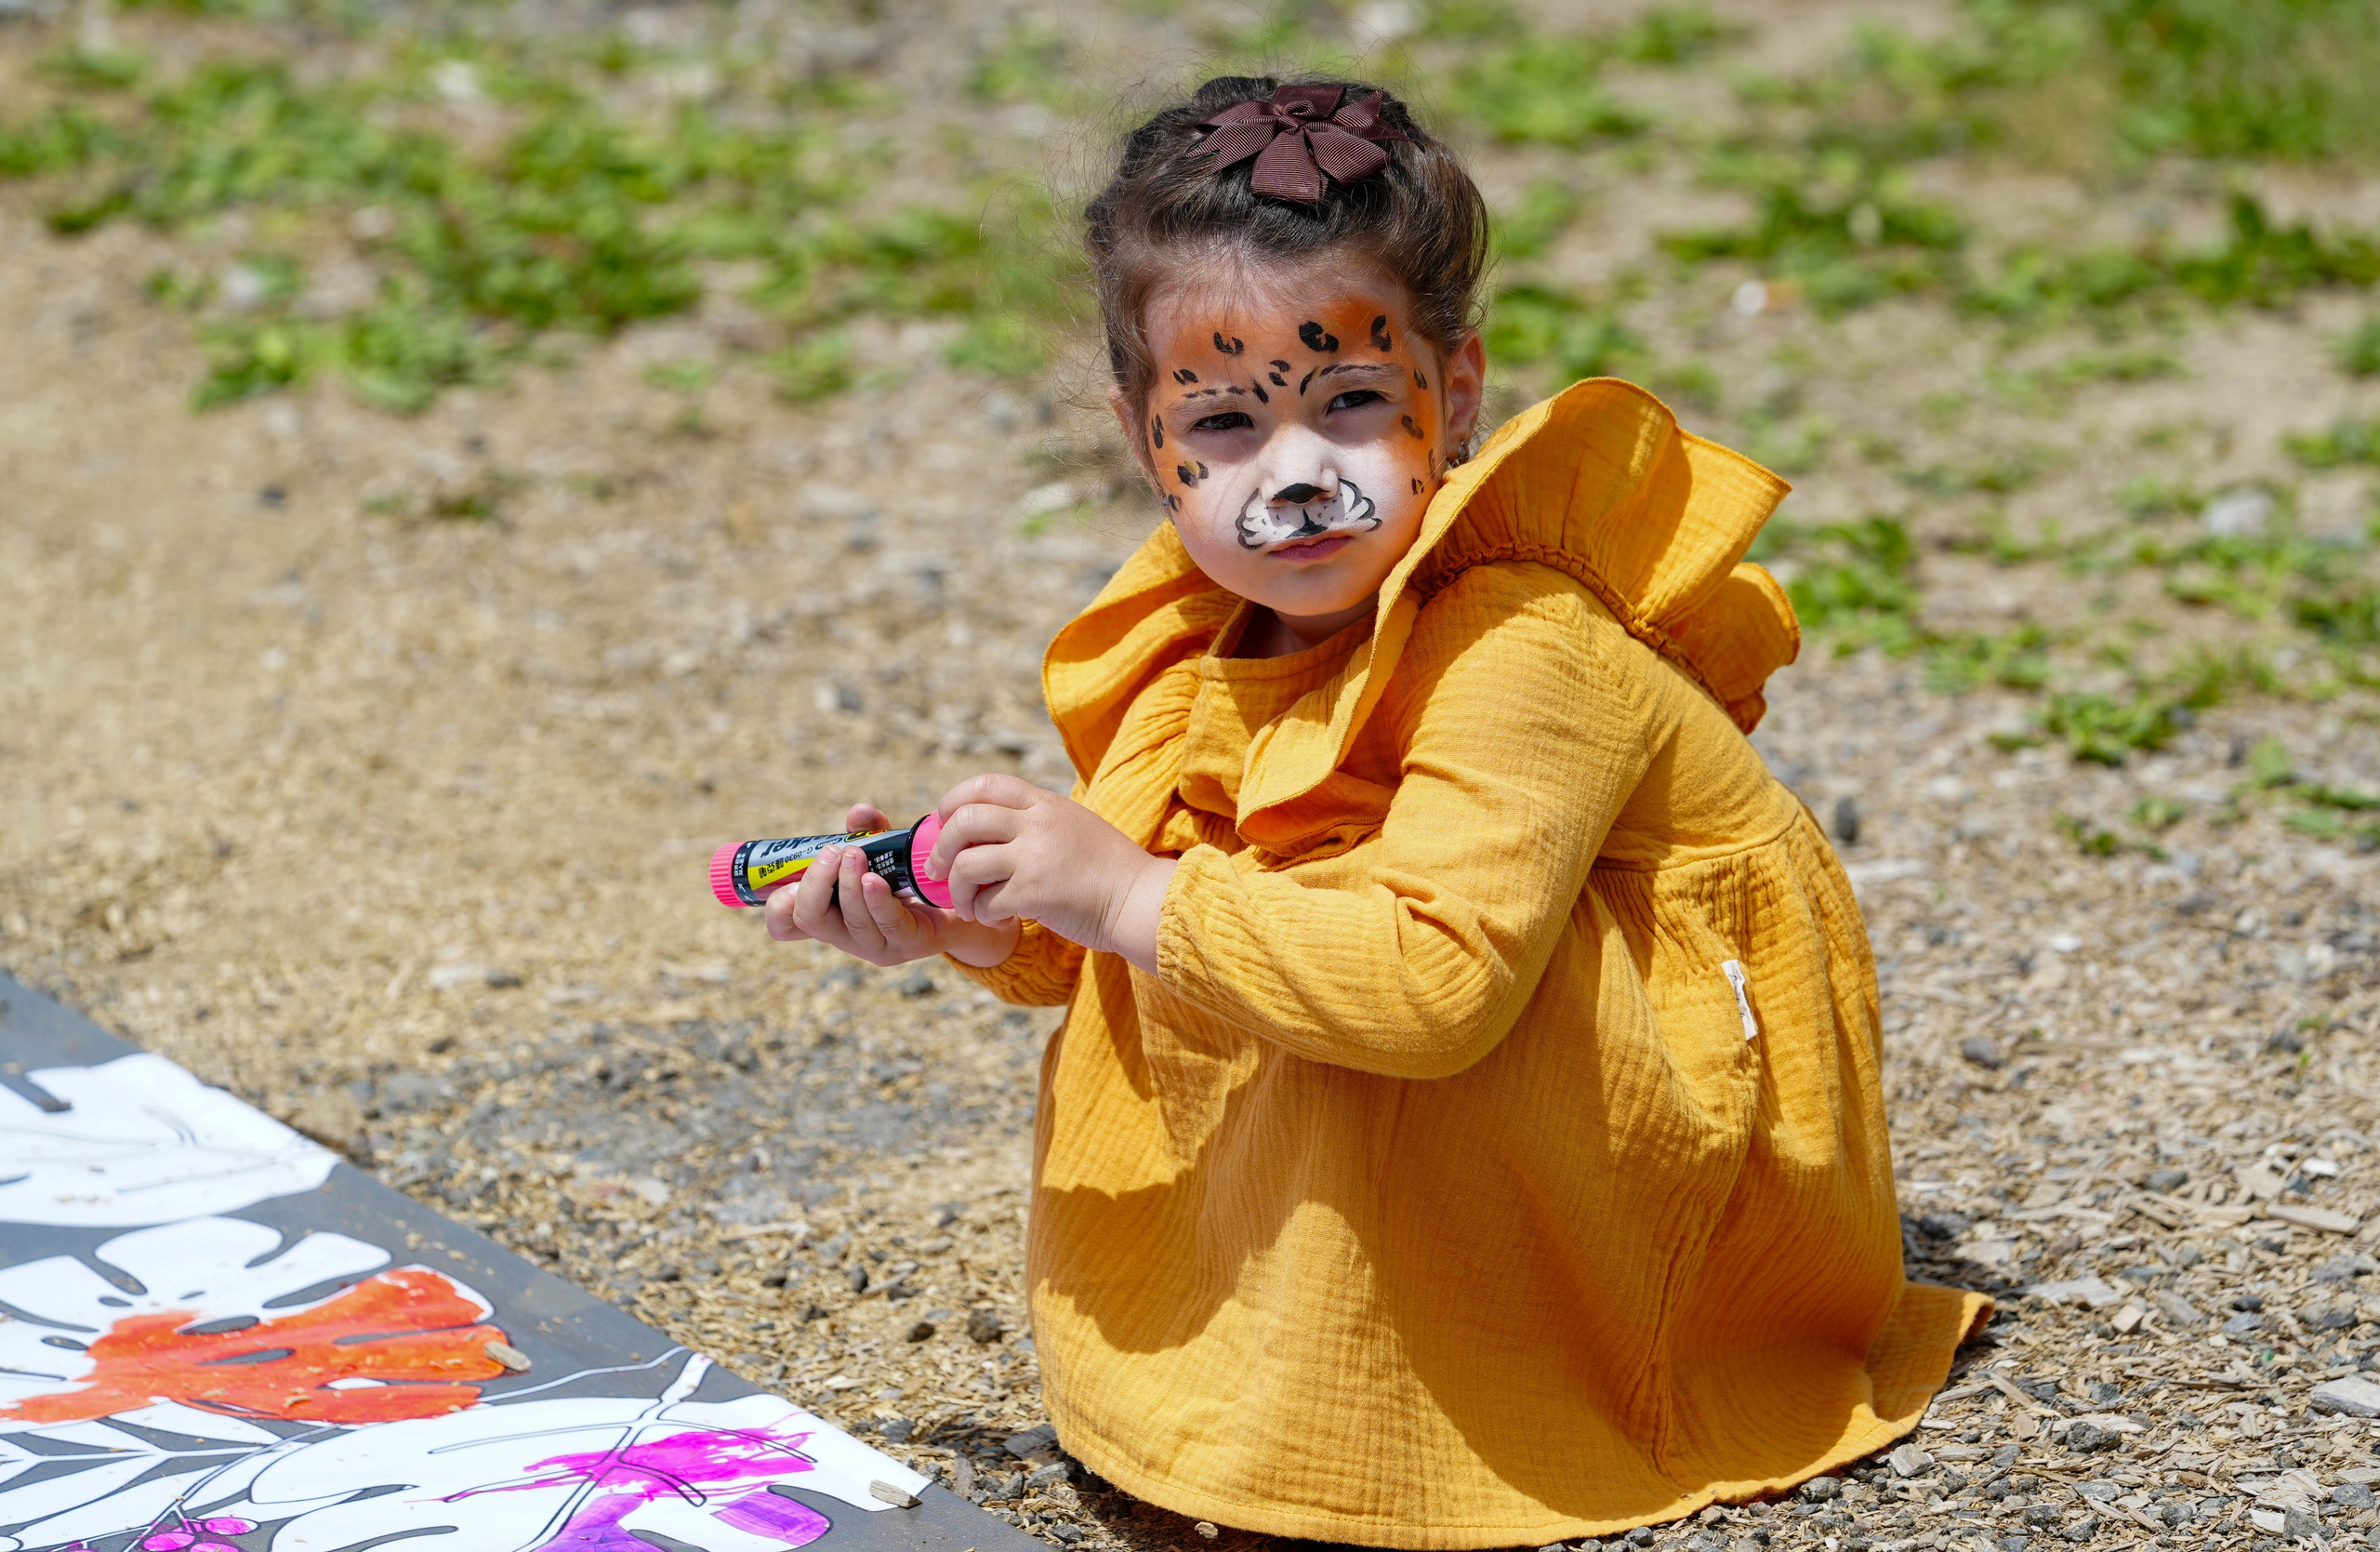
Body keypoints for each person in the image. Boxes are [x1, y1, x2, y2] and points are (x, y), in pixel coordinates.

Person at [764, 74, 1988, 1548]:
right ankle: (1300, 1383)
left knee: (1313, 964)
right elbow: (1120, 924)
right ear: (1136, 431)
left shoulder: (1519, 642)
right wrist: (962, 917)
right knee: (1243, 937)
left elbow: (1433, 985)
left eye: (1349, 401)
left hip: (1627, 1180)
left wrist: (1127, 894)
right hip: (1443, 1079)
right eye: (1220, 422)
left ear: (1453, 392)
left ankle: (1447, 1398)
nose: (1293, 483)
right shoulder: (1201, 639)